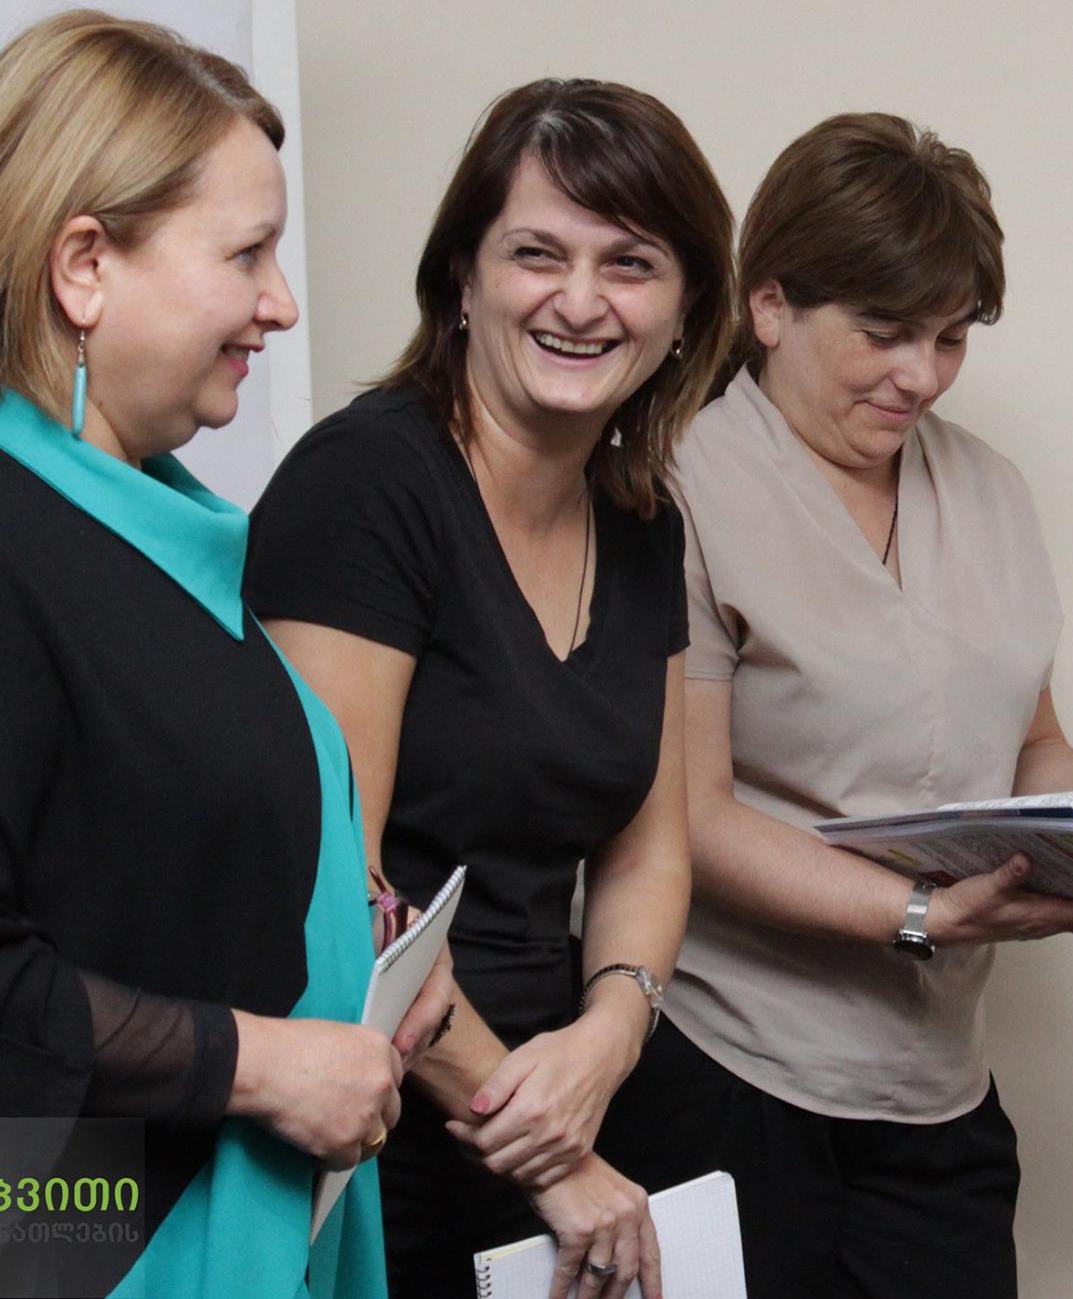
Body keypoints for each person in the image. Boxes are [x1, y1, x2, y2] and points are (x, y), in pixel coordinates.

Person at [0, 10, 448, 1299]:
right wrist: (262, 1064)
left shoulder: (118, 519)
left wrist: (356, 946)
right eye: (246, 254)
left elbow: (128, 852)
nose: (279, 305)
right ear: (84, 266)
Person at [596, 112, 1073, 1298]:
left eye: (949, 338)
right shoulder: (676, 487)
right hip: (727, 1068)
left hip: (934, 1084)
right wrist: (917, 916)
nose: (922, 375)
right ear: (768, 306)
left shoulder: (988, 491)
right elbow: (688, 816)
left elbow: (1032, 744)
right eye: (885, 332)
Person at [244, 79, 735, 1299]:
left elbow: (648, 846)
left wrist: (608, 1035)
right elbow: (335, 881)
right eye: (537, 254)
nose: (580, 301)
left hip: (564, 1089)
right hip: (376, 1106)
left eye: (630, 263)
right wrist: (535, 1141)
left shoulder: (641, 522)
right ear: (462, 276)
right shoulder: (366, 485)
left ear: (685, 311)